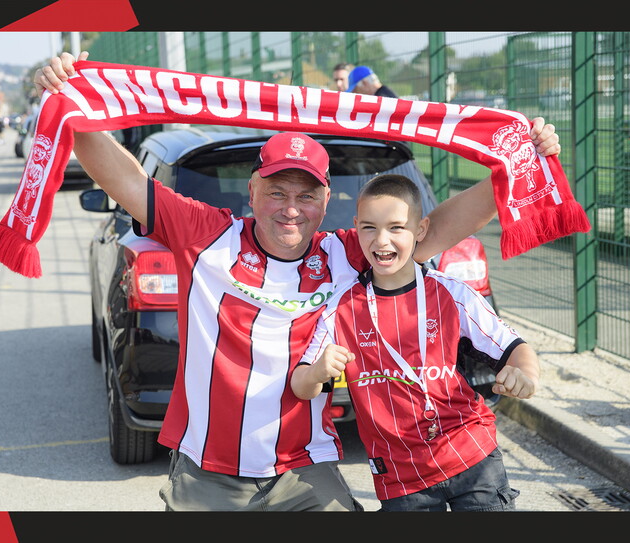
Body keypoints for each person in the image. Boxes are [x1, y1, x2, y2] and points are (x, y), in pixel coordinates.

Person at [34, 51, 559, 512]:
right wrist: (73, 107)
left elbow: (436, 228)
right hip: (209, 472)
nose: (291, 209)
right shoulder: (206, 234)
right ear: (254, 190)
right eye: (278, 192)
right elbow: (123, 179)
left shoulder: (343, 252)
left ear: (326, 203)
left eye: (306, 196)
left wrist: (517, 163)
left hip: (305, 472)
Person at [291, 173, 539, 511]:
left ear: (420, 230)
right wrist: (318, 371)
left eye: (396, 227)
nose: (382, 241)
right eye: (369, 228)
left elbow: (515, 348)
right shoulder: (341, 308)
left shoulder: (451, 293)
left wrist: (525, 375)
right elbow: (301, 385)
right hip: (401, 478)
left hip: (472, 458)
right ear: (355, 227)